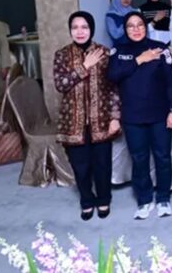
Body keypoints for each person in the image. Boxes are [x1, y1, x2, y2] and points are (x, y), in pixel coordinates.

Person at [107, 12, 172, 220]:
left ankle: (163, 198)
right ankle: (144, 199)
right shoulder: (118, 49)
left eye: (140, 24)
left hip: (159, 115)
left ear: (145, 27)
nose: (136, 29)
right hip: (132, 117)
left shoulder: (160, 48)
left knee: (163, 157)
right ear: (125, 29)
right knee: (139, 159)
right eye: (131, 26)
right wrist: (139, 60)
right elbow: (112, 76)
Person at [53, 11, 121, 220]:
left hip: (101, 119)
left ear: (91, 29)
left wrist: (115, 116)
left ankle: (104, 199)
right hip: (73, 122)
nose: (80, 31)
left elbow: (113, 88)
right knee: (80, 166)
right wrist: (84, 67)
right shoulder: (62, 55)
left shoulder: (104, 53)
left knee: (102, 164)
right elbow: (61, 84)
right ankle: (86, 200)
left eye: (84, 27)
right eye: (75, 27)